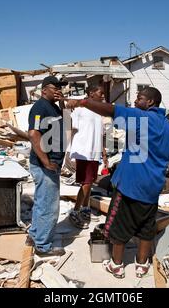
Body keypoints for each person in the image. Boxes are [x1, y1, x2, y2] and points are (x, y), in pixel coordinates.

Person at [66, 87, 169, 279]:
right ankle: (142, 264)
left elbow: (112, 110)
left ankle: (116, 265)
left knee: (119, 225)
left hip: (131, 184)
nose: (135, 101)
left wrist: (81, 102)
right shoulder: (168, 127)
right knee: (145, 226)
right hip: (153, 185)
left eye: (139, 98)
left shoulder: (141, 117)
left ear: (150, 102)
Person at [27, 76, 68, 257]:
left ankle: (34, 235)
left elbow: (65, 124)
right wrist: (45, 161)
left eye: (60, 87)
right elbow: (34, 134)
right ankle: (43, 246)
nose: (59, 90)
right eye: (55, 87)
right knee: (49, 206)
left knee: (41, 202)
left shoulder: (54, 107)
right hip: (45, 165)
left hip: (51, 163)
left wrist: (63, 104)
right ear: (44, 90)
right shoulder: (40, 108)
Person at [68, 85, 108, 229]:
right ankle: (75, 211)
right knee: (86, 182)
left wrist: (103, 152)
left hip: (94, 152)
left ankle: (85, 207)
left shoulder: (99, 111)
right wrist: (69, 150)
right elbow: (70, 128)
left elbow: (101, 134)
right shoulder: (80, 110)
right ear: (91, 93)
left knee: (90, 182)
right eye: (100, 92)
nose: (103, 95)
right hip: (84, 151)